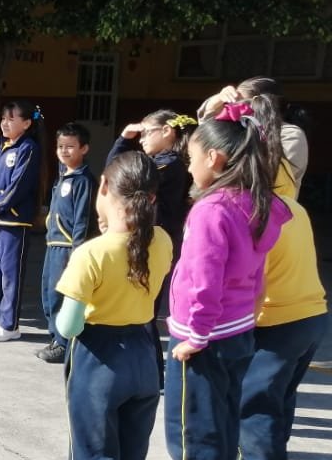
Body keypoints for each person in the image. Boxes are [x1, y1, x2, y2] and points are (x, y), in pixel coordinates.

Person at [145, 104, 289, 460]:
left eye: (192, 155)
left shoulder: (212, 211)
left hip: (204, 339)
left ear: (216, 160)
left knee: (193, 431)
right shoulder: (255, 203)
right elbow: (254, 274)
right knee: (223, 426)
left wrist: (194, 338)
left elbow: (204, 281)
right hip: (238, 331)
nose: (187, 163)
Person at [45, 151, 172, 460]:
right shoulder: (162, 240)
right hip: (144, 353)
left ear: (104, 191)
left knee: (93, 459)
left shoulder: (91, 253)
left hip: (100, 358)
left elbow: (69, 325)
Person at [231, 193, 326, 460]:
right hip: (311, 316)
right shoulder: (293, 207)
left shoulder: (252, 212)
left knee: (256, 399)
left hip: (277, 320)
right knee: (280, 397)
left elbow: (251, 277)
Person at [0, 101, 42, 342]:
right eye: (3, 118)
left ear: (26, 123)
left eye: (11, 118)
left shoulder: (28, 148)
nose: (5, 122)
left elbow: (20, 185)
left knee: (10, 273)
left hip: (12, 221)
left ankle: (9, 324)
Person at [38, 122, 95, 364]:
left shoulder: (83, 181)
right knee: (48, 293)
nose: (64, 151)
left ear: (84, 149)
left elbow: (82, 218)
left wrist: (77, 252)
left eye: (70, 147)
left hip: (67, 245)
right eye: (60, 146)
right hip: (53, 244)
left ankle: (63, 343)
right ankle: (55, 337)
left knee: (61, 294)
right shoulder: (62, 178)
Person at [199, 77, 308, 196]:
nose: (233, 109)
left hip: (271, 209)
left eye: (240, 102)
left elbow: (271, 176)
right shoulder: (238, 127)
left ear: (260, 103)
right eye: (230, 103)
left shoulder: (290, 134)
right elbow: (205, 138)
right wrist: (215, 103)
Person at [106, 110, 194, 258]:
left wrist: (124, 140)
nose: (141, 140)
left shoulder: (170, 164)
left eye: (146, 133)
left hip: (161, 239)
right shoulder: (164, 162)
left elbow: (116, 173)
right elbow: (114, 172)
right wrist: (124, 138)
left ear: (166, 131)